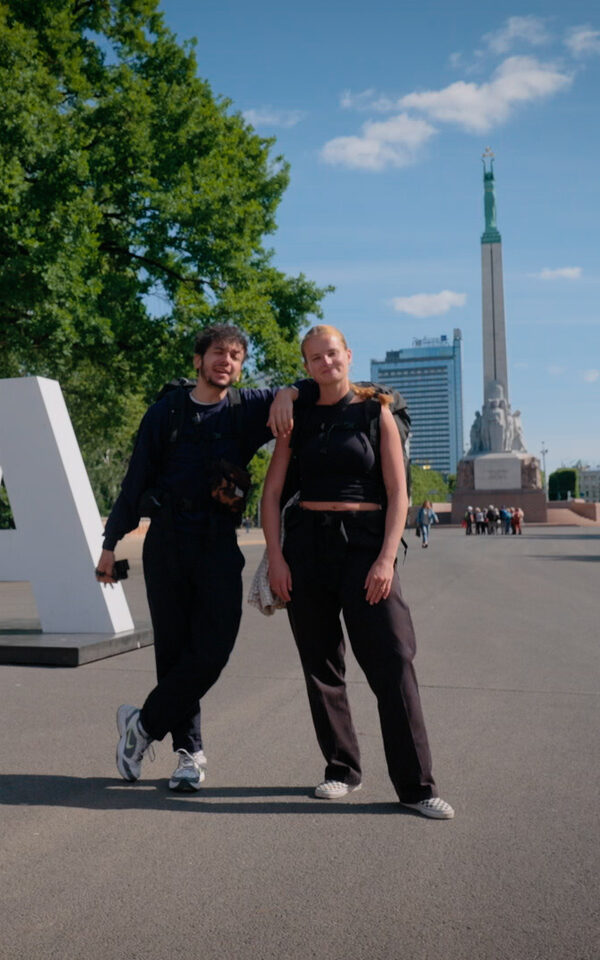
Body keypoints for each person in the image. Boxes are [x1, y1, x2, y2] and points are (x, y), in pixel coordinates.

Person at [260, 324, 454, 819]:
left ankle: (416, 786)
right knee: (321, 665)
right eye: (315, 358)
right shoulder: (297, 417)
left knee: (393, 660)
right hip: (306, 548)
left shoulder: (375, 412)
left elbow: (398, 493)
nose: (325, 363)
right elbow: (272, 493)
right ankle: (341, 769)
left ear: (348, 355)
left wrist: (386, 558)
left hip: (365, 546)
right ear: (306, 367)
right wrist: (277, 557)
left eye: (332, 354)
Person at [99, 324, 298, 792]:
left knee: (212, 651)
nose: (225, 361)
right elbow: (133, 481)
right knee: (174, 652)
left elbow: (310, 389)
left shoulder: (248, 408)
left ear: (241, 366)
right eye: (217, 353)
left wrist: (288, 392)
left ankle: (142, 725)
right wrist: (110, 545)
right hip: (167, 543)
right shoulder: (165, 412)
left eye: (235, 356)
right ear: (198, 360)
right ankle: (189, 754)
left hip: (217, 545)